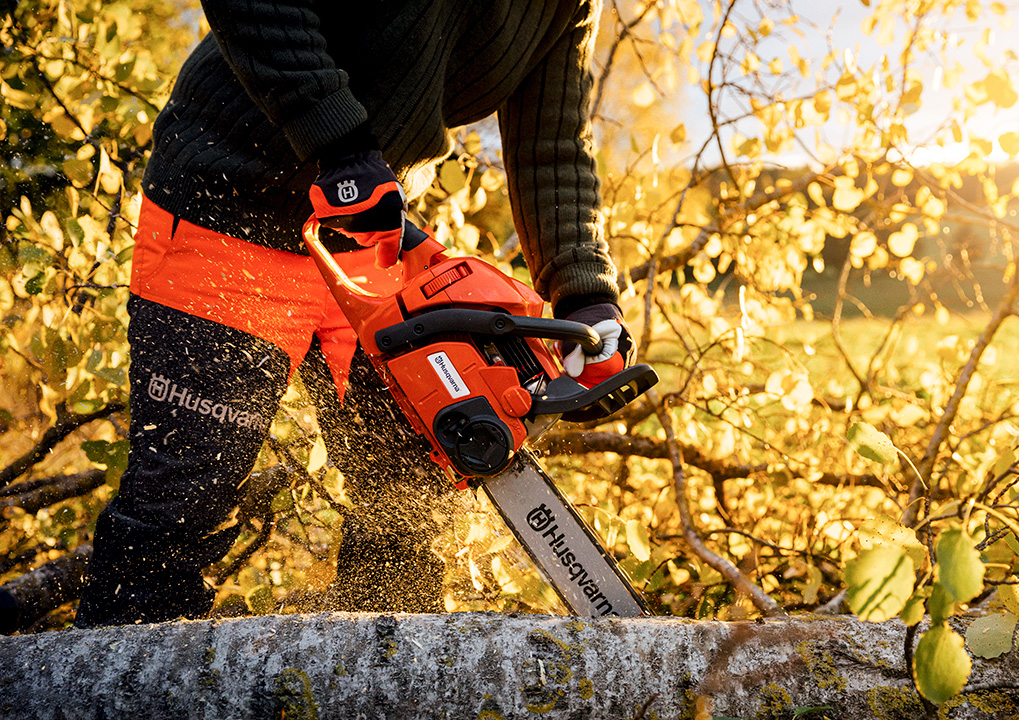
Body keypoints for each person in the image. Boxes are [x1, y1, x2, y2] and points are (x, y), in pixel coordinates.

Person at [75, 0, 637, 628]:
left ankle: (369, 684)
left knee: (409, 503)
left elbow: (553, 145)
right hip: (233, 197)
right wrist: (339, 143)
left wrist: (586, 294)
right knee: (177, 507)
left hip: (368, 237)